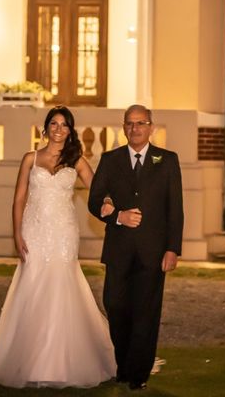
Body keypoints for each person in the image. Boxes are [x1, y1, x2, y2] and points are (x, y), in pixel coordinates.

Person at [0, 106, 116, 388]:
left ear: (70, 130)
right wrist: (17, 234)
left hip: (64, 232)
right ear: (45, 128)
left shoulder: (76, 160)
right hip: (34, 230)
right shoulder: (30, 158)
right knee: (33, 288)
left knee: (61, 288)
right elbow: (18, 200)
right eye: (53, 123)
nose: (58, 129)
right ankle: (28, 361)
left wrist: (111, 204)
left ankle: (62, 362)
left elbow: (98, 189)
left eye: (64, 125)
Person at [88, 104, 184, 391]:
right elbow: (94, 200)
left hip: (153, 252)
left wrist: (173, 248)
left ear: (150, 126)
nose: (135, 128)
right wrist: (117, 215)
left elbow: (175, 209)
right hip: (118, 249)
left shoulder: (166, 160)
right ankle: (123, 362)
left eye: (141, 123)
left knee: (146, 312)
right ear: (124, 127)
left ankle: (137, 373)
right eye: (130, 123)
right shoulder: (110, 159)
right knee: (115, 305)